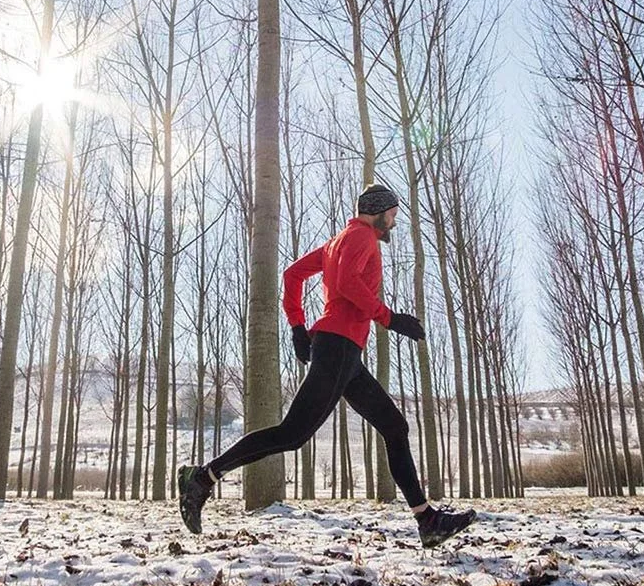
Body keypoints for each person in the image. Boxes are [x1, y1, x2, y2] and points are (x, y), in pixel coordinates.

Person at [178, 183, 476, 549]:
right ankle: (202, 477)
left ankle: (427, 520)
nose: (393, 224)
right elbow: (350, 283)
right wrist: (389, 319)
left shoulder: (338, 242)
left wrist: (298, 328)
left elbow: (292, 275)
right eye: (392, 216)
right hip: (338, 348)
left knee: (395, 426)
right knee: (292, 434)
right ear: (378, 212)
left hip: (344, 353)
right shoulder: (363, 237)